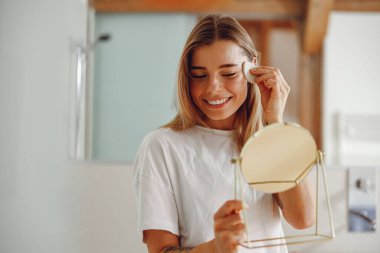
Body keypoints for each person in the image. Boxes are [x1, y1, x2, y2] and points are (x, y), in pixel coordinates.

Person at [133, 14, 315, 253]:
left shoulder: (269, 141)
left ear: (253, 69)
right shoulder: (161, 147)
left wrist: (275, 124)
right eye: (199, 75)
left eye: (228, 74)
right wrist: (216, 248)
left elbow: (303, 219)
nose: (213, 88)